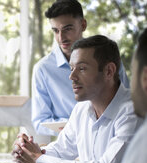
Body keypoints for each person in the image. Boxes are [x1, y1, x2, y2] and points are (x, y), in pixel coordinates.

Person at [20, 27, 147, 163]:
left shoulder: (131, 112)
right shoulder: (82, 110)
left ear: (108, 71)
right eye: (71, 68)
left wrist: (40, 159)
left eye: (82, 68)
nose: (71, 76)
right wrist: (31, 152)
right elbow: (61, 149)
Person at [31, 0, 129, 136]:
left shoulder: (108, 58)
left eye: (67, 29)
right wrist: (77, 126)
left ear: (83, 25)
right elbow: (40, 121)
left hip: (112, 135)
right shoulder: (43, 70)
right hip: (69, 145)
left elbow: (127, 101)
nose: (61, 38)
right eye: (56, 31)